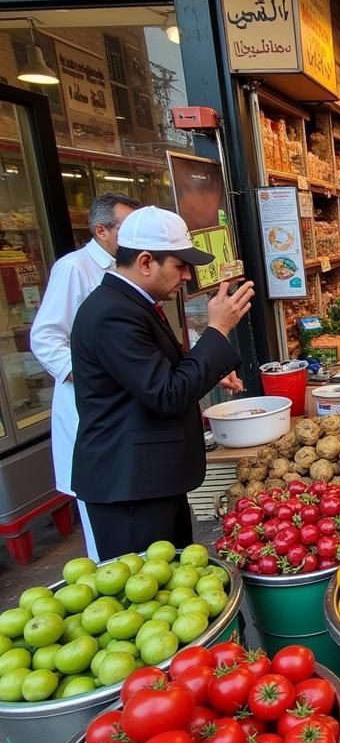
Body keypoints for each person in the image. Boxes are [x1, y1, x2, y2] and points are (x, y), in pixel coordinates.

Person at [70, 206, 254, 559]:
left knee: (175, 578)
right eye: (180, 265)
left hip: (151, 479)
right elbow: (167, 394)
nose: (187, 276)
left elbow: (157, 376)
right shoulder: (113, 312)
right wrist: (218, 331)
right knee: (148, 593)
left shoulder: (133, 303)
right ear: (145, 262)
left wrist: (211, 365)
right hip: (130, 488)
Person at [30, 193, 141, 559]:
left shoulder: (125, 270)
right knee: (104, 521)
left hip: (124, 411)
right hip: (92, 409)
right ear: (101, 230)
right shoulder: (74, 268)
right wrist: (94, 375)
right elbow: (45, 337)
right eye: (127, 228)